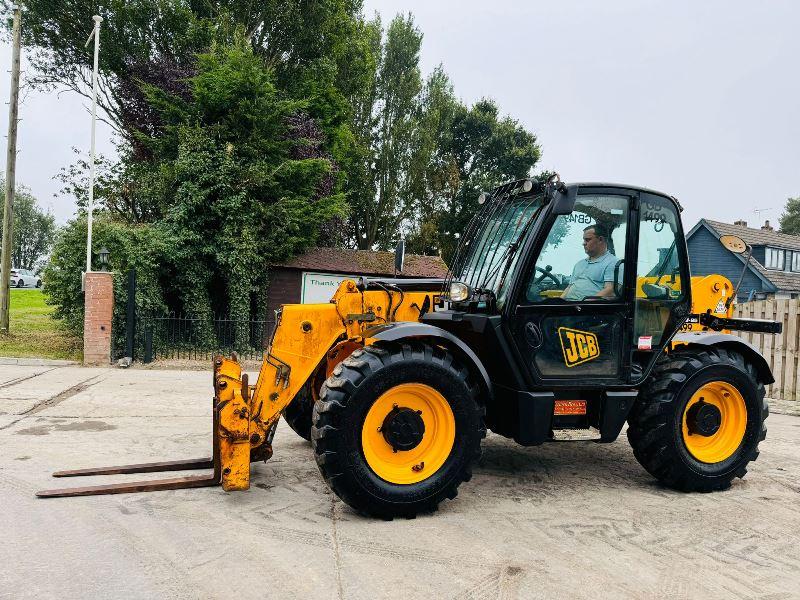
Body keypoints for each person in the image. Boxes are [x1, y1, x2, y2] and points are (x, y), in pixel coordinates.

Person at [562, 224, 618, 300]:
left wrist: (584, 304)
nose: (583, 243)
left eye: (587, 240)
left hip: (590, 308)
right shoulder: (579, 264)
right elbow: (569, 287)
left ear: (600, 240)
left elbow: (610, 291)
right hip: (570, 306)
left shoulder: (612, 263)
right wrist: (558, 302)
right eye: (584, 240)